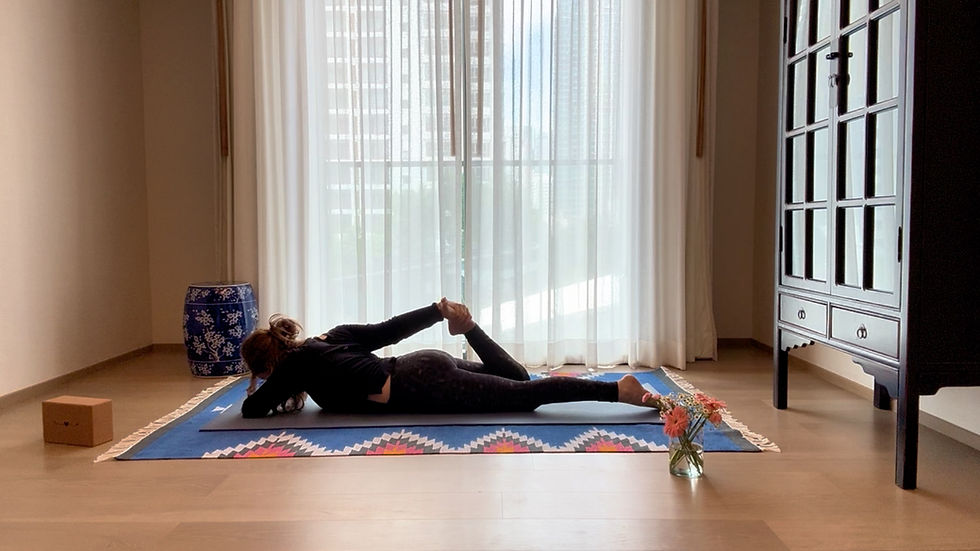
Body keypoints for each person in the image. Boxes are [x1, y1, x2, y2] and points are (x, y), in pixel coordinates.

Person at [239, 298, 653, 418]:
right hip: (421, 362)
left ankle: (617, 391)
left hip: (421, 385)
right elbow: (389, 330)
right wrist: (437, 311)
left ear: (268, 364)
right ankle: (468, 329)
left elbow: (253, 410)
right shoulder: (330, 337)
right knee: (520, 379)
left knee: (524, 398)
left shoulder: (291, 366)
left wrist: (265, 386)